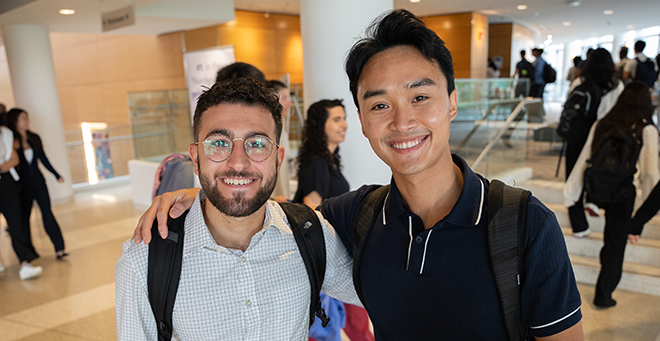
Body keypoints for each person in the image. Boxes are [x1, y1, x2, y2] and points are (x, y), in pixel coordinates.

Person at [134, 9, 584, 340]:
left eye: (420, 97)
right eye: (379, 104)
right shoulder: (356, 216)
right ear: (364, 121)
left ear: (452, 101)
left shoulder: (523, 224)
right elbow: (272, 216)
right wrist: (206, 191)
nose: (402, 121)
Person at [115, 78, 357, 340]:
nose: (239, 163)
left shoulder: (312, 235)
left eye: (257, 144)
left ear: (278, 160)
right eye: (219, 143)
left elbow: (391, 297)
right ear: (196, 159)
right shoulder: (144, 261)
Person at [564, 81, 659, 307]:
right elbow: (649, 174)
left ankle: (594, 205)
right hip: (624, 194)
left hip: (597, 189)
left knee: (612, 242)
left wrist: (572, 193)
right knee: (615, 244)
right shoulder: (646, 129)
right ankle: (603, 294)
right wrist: (645, 211)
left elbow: (584, 160)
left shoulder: (602, 123)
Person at [293, 99, 373, 341]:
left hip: (335, 253)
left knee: (350, 322)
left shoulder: (329, 160)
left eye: (344, 118)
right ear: (321, 125)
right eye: (336, 119)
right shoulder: (318, 163)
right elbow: (310, 212)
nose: (344, 124)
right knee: (339, 326)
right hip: (328, 258)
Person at [564, 48, 624, 237]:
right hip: (602, 138)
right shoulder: (616, 85)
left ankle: (578, 224)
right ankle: (593, 201)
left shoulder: (580, 82)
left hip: (577, 136)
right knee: (596, 171)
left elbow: (570, 107)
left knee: (573, 174)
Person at [6, 108, 68, 260]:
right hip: (22, 186)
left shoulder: (34, 138)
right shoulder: (11, 141)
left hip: (39, 182)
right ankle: (30, 251)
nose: (27, 121)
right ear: (15, 122)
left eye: (27, 118)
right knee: (24, 219)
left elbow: (44, 159)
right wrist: (14, 148)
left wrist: (56, 174)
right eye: (23, 119)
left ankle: (59, 248)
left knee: (47, 214)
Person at [0, 120, 42, 279]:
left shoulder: (5, 132)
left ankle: (25, 263)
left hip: (6, 182)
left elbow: (14, 159)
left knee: (16, 225)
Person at [266, 80, 294, 202]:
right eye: (284, 98)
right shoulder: (268, 130)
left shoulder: (283, 130)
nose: (289, 103)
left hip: (282, 198)